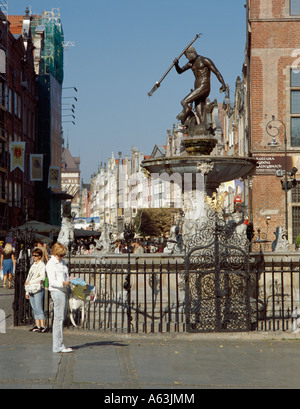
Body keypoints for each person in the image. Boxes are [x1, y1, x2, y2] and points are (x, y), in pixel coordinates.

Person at [174, 46, 227, 126]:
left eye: (186, 56)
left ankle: (187, 115)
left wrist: (223, 84)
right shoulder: (190, 63)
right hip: (197, 88)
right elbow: (180, 71)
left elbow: (217, 72)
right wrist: (176, 65)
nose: (187, 58)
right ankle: (203, 128)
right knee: (199, 111)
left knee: (184, 102)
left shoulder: (204, 60)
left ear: (190, 53)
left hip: (204, 86)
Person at [46, 242, 74, 353]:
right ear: (55, 253)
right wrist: (63, 283)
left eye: (62, 255)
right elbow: (52, 282)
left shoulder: (62, 263)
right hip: (57, 291)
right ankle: (58, 345)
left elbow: (64, 275)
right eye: (60, 255)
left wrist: (70, 279)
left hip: (63, 290)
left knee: (61, 318)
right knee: (58, 319)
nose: (61, 257)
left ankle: (59, 344)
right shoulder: (51, 264)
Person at [24, 247, 46, 333]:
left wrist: (31, 281)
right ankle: (37, 325)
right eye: (33, 255)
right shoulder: (33, 265)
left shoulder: (42, 265)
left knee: (38, 307)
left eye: (36, 255)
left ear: (40, 256)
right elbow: (29, 276)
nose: (34, 257)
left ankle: (43, 325)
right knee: (34, 307)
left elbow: (42, 277)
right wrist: (27, 291)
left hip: (37, 287)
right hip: (30, 288)